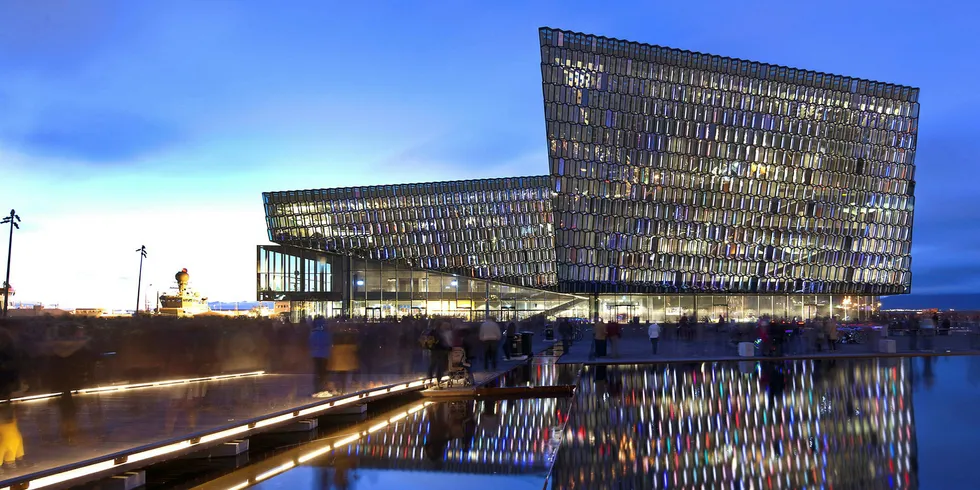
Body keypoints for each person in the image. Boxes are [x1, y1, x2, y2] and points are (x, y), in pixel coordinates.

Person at [308, 317, 332, 395]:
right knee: (323, 371)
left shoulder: (313, 333)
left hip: (315, 354)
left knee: (317, 370)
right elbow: (329, 343)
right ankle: (322, 387)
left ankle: (316, 388)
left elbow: (310, 344)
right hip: (324, 354)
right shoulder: (326, 333)